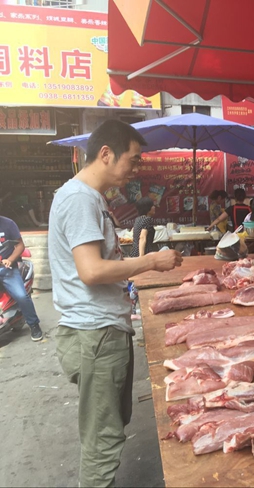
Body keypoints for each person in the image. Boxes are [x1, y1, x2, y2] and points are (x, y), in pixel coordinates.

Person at [48, 119, 183, 487]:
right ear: (106, 154)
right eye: (134, 160)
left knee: (107, 429)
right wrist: (150, 261)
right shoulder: (80, 199)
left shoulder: (88, 197)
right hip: (95, 334)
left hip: (101, 331)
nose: (136, 170)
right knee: (102, 440)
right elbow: (91, 271)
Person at [0, 215, 42, 341]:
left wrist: (10, 260)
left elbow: (20, 246)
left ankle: (34, 324)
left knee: (21, 296)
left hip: (7, 268)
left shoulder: (8, 223)